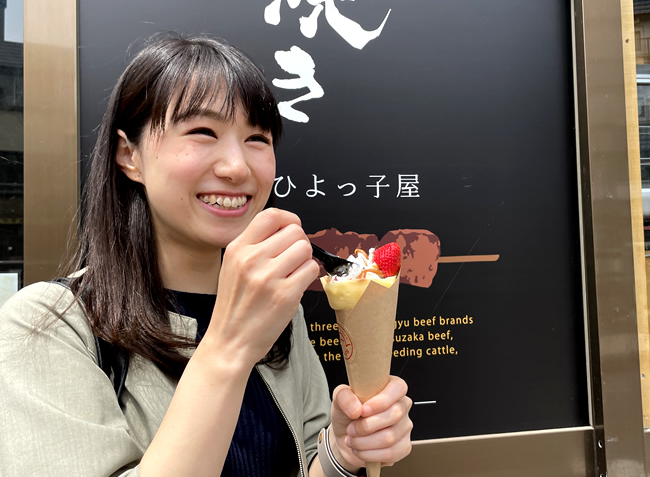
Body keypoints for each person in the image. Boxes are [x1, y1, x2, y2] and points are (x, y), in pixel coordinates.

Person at [0, 34, 412, 476]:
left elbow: (305, 461)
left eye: (257, 138)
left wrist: (340, 454)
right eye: (202, 132)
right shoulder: (49, 325)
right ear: (129, 155)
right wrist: (230, 348)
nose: (237, 167)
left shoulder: (279, 307)